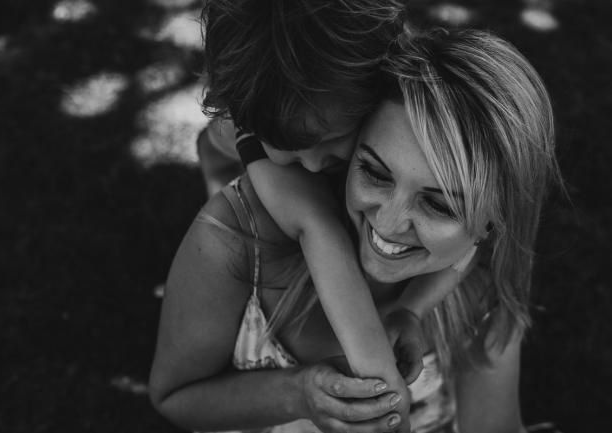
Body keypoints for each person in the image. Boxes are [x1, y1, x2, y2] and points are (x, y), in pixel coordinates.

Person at [150, 27, 561, 433]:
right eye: (374, 172)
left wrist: (411, 310)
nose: (387, 223)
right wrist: (297, 394)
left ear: (492, 222)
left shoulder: (481, 287)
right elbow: (175, 396)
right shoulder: (234, 241)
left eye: (438, 203)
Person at [198, 3, 474, 428]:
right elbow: (321, 233)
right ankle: (219, 170)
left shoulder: (394, 91)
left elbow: (475, 238)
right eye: (288, 145)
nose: (309, 166)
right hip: (235, 137)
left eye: (331, 140)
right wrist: (380, 382)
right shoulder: (265, 127)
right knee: (216, 146)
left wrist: (412, 308)